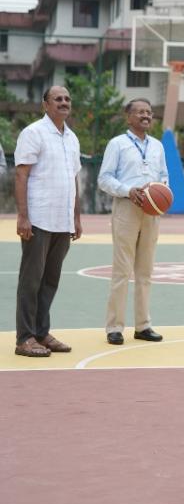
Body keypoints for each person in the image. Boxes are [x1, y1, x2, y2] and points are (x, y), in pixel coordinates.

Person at [13, 85, 82, 358]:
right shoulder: (33, 133)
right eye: (58, 99)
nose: (64, 102)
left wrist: (76, 217)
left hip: (62, 221)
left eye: (67, 98)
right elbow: (21, 174)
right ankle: (24, 338)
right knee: (31, 281)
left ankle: (41, 332)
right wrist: (23, 216)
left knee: (50, 281)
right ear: (45, 104)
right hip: (39, 218)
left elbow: (73, 179)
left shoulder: (72, 138)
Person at [97, 98, 169, 345]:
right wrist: (129, 191)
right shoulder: (117, 144)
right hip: (127, 208)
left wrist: (160, 192)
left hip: (151, 212)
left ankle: (143, 325)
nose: (146, 116)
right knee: (122, 270)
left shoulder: (157, 146)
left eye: (149, 112)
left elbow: (164, 176)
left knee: (145, 271)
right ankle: (114, 327)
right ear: (128, 117)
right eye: (140, 112)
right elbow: (104, 178)